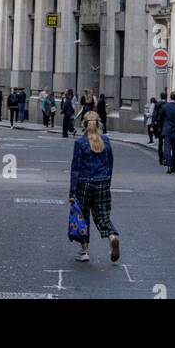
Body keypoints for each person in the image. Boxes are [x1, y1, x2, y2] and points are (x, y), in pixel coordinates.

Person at [68, 111, 120, 264]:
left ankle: (84, 251)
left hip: (84, 183)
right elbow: (110, 164)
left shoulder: (80, 143)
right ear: (99, 124)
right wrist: (107, 182)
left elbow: (75, 169)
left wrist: (72, 192)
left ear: (84, 124)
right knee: (103, 216)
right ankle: (112, 237)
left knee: (83, 217)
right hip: (102, 182)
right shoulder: (106, 141)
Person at [158, 91, 175, 172]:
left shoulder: (164, 107)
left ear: (170, 97)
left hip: (166, 130)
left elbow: (160, 119)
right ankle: (174, 166)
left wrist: (160, 128)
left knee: (167, 148)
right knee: (174, 149)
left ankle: (169, 165)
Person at [156, 90, 168, 164]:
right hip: (167, 126)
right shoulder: (167, 105)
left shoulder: (157, 104)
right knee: (166, 143)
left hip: (160, 126)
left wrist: (154, 125)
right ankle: (165, 158)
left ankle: (160, 158)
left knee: (160, 143)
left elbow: (155, 116)